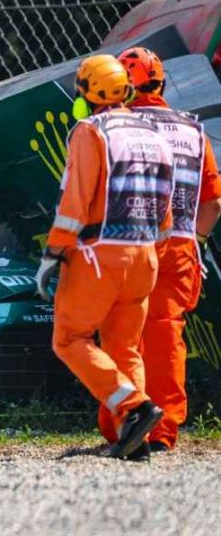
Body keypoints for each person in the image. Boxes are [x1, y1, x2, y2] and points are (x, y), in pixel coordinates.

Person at [35, 54, 173, 460]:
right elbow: (166, 207)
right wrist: (153, 252)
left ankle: (133, 409)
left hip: (98, 254)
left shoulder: (89, 132)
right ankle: (134, 442)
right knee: (125, 348)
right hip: (145, 254)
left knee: (69, 338)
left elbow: (74, 202)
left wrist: (53, 253)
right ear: (126, 91)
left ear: (85, 93)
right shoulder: (154, 134)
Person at [94, 47, 221, 452]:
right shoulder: (192, 130)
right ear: (161, 83)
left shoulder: (111, 127)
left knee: (121, 333)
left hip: (129, 243)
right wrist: (197, 240)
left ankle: (124, 424)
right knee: (167, 334)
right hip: (181, 244)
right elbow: (213, 204)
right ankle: (164, 431)